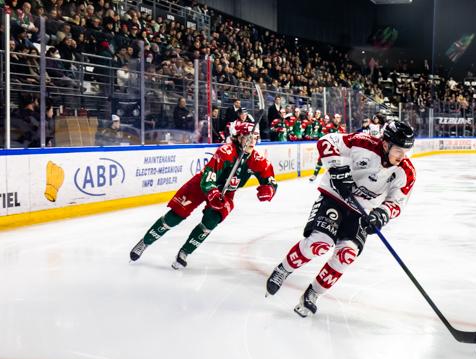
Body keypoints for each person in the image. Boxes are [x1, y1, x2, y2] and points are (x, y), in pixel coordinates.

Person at [265, 120, 416, 318]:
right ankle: (284, 269)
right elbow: (326, 141)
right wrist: (336, 168)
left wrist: (382, 214)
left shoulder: (406, 172)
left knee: (347, 254)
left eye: (406, 151)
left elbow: (397, 202)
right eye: (398, 150)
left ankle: (313, 293)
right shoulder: (363, 143)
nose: (402, 156)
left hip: (362, 212)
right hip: (334, 197)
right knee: (319, 244)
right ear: (386, 144)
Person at [129, 121, 277, 268]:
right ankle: (145, 242)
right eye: (248, 137)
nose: (252, 142)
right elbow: (208, 176)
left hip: (226, 194)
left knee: (211, 222)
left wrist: (269, 189)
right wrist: (212, 192)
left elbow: (270, 179)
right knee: (175, 216)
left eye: (255, 137)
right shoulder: (226, 152)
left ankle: (185, 252)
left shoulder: (257, 160)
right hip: (200, 186)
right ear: (238, 137)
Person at [310, 114, 348, 182]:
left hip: (337, 148)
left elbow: (344, 139)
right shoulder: (328, 126)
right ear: (333, 119)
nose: (337, 119)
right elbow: (322, 135)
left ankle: (339, 175)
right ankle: (315, 175)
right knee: (321, 159)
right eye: (336, 118)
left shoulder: (341, 129)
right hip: (329, 147)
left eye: (338, 118)